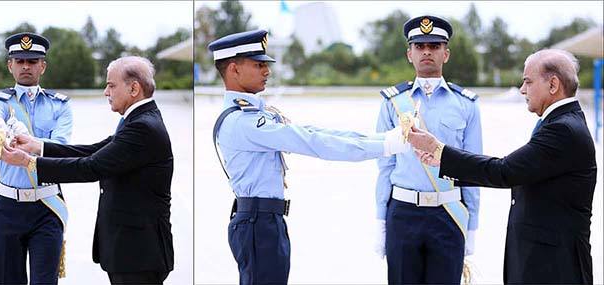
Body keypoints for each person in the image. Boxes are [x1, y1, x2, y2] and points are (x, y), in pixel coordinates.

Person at [207, 30, 409, 285]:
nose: (267, 71)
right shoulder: (243, 122)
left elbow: (315, 132)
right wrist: (387, 147)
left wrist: (383, 139)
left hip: (264, 221)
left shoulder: (252, 115)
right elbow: (312, 142)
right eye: (259, 65)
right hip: (259, 225)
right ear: (234, 70)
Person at [408, 49, 596, 284]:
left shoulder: (562, 130)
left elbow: (505, 171)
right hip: (543, 260)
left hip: (553, 266)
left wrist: (440, 150)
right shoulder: (561, 123)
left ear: (553, 84)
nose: (522, 90)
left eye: (528, 81)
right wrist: (442, 159)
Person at [0, 56, 173, 284]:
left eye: (111, 85)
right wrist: (37, 146)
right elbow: (93, 151)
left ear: (134, 88)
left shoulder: (143, 127)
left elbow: (91, 167)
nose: (105, 92)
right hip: (132, 250)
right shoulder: (138, 120)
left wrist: (28, 162)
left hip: (139, 252)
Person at [373, 15, 482, 284]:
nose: (426, 52)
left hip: (448, 212)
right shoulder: (393, 102)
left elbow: (473, 169)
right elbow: (385, 166)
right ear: (409, 54)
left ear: (446, 53)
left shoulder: (466, 104)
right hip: (403, 211)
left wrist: (473, 223)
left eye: (434, 46)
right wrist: (381, 220)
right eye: (420, 47)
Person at [0, 32, 73, 284]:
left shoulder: (59, 105)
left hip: (47, 205)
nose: (25, 66)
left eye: (32, 61)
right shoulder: (1, 102)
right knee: (6, 279)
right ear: (10, 65)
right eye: (19, 61)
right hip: (8, 206)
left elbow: (62, 147)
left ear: (42, 66)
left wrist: (32, 145)